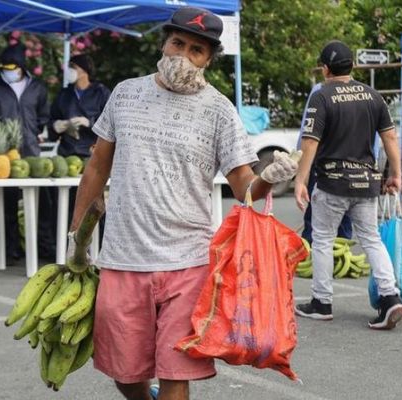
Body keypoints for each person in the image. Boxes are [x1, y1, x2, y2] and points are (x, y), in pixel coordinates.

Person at [65, 7, 299, 400]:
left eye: (196, 50)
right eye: (177, 43)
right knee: (125, 372)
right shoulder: (126, 93)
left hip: (188, 263)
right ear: (163, 43)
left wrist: (267, 180)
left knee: (177, 374)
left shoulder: (219, 110)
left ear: (208, 59)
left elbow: (243, 185)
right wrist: (77, 236)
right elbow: (95, 169)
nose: (183, 55)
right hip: (124, 257)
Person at [294, 40, 402, 330]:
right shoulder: (373, 95)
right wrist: (395, 174)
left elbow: (310, 142)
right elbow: (390, 138)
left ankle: (321, 302)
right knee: (371, 239)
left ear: (325, 69)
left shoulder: (322, 96)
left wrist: (300, 181)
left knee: (322, 239)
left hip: (332, 182)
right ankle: (390, 296)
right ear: (353, 66)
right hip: (367, 182)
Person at [0, 44, 49, 263]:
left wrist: (39, 130)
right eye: (4, 68)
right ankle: (9, 250)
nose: (7, 71)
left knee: (38, 204)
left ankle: (42, 250)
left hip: (31, 154)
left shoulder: (38, 88)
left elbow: (44, 115)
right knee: (6, 205)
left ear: (22, 67)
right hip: (2, 155)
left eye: (11, 67)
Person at [37, 54, 111, 258]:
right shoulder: (64, 94)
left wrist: (90, 121)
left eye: (73, 67)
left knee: (95, 203)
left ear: (84, 70)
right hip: (67, 154)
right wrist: (56, 126)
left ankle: (102, 249)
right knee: (67, 205)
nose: (70, 71)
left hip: (92, 153)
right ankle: (66, 249)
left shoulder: (101, 92)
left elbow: (112, 123)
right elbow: (52, 122)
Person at [298, 82, 352, 244]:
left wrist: (302, 172)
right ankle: (343, 255)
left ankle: (310, 254)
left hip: (322, 163)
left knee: (315, 214)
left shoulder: (319, 91)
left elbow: (307, 133)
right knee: (347, 217)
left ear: (326, 69)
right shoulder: (365, 92)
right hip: (354, 164)